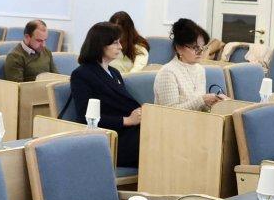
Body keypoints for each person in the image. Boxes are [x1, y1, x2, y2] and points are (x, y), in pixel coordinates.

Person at [69, 22, 142, 167]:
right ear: (100, 45)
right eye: (115, 43)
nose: (120, 47)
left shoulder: (114, 72)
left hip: (129, 134)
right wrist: (126, 120)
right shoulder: (81, 74)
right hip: (110, 139)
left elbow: (123, 104)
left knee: (161, 136)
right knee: (156, 143)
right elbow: (85, 117)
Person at [153, 19, 226, 111]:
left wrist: (215, 102)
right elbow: (170, 112)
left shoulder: (199, 69)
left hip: (196, 119)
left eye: (203, 47)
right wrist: (202, 100)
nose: (200, 52)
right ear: (179, 48)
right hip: (171, 120)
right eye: (195, 47)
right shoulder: (168, 72)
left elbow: (200, 107)